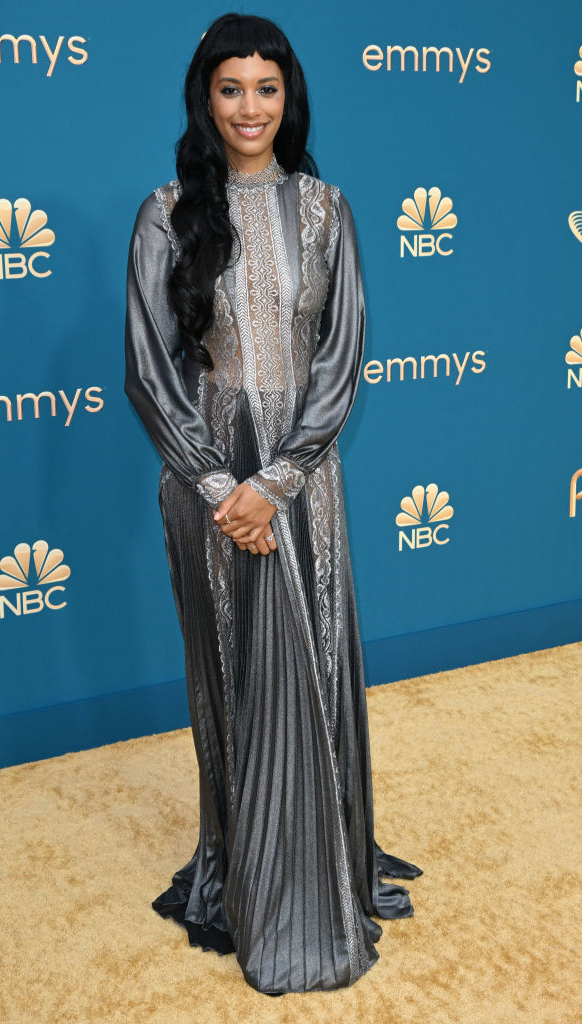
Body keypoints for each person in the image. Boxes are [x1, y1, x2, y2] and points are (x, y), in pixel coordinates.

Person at [123, 11, 422, 996]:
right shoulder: (166, 212)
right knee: (234, 676)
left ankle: (322, 873)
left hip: (301, 474)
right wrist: (220, 485)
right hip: (204, 474)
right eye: (229, 89)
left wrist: (275, 480)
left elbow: (340, 359)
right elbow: (146, 370)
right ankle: (249, 880)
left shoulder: (326, 209)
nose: (248, 107)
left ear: (287, 99)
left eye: (266, 88)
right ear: (203, 100)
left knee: (312, 657)